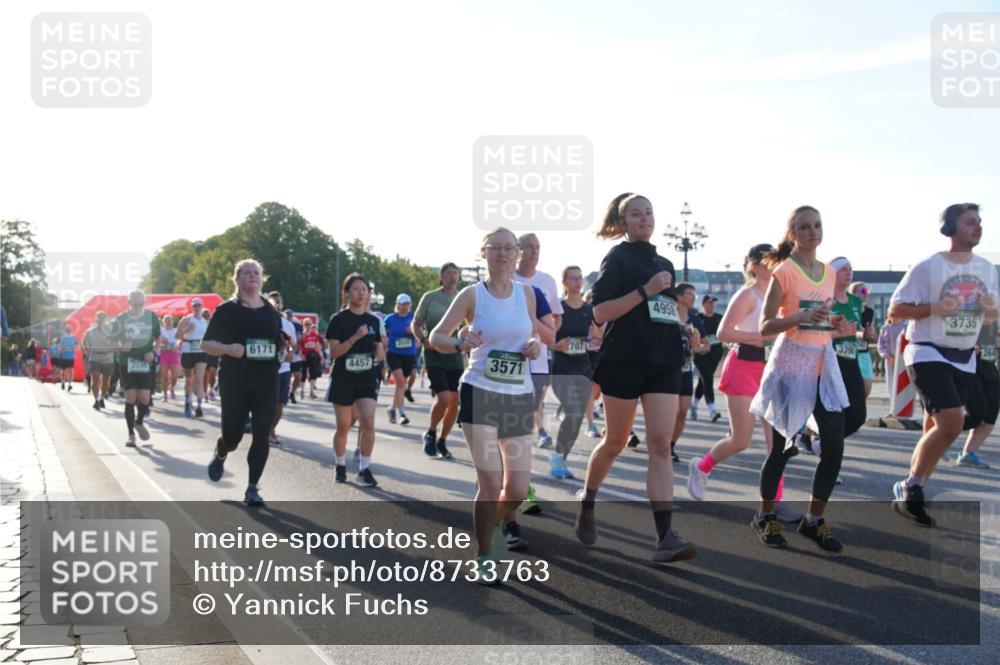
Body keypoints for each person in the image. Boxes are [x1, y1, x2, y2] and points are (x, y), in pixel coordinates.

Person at [575, 193, 696, 564]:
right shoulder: (618, 258)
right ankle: (588, 500)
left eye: (649, 213)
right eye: (636, 214)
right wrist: (646, 291)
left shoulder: (665, 262)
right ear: (623, 222)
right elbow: (600, 311)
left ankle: (665, 538)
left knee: (660, 445)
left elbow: (663, 312)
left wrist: (684, 328)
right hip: (625, 361)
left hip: (663, 361)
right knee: (614, 441)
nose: (644, 218)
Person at [429, 227, 542, 584]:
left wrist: (536, 345)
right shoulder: (471, 295)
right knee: (491, 482)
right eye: (496, 248)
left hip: (519, 394)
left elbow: (533, 334)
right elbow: (436, 337)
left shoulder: (527, 295)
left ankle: (488, 527)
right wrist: (460, 342)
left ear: (517, 255)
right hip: (480, 390)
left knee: (519, 489)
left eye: (510, 248)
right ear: (484, 253)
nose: (504, 254)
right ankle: (484, 555)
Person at [748, 205, 851, 554]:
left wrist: (833, 323)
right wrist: (801, 315)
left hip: (822, 362)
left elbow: (823, 318)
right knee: (782, 448)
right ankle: (765, 515)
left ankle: (814, 520)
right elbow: (764, 327)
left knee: (834, 446)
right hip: (791, 364)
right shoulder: (785, 272)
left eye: (817, 225)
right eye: (805, 227)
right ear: (793, 234)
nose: (813, 232)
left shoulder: (828, 272)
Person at [889, 203, 998, 526]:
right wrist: (937, 307)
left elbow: (992, 316)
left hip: (964, 357)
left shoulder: (987, 268)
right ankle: (911, 487)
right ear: (950, 228)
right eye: (969, 222)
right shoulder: (929, 267)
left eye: (979, 222)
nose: (977, 228)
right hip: (928, 351)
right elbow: (896, 310)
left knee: (937, 430)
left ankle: (913, 489)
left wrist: (990, 307)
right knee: (952, 423)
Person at [687, 244, 801, 522]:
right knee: (741, 440)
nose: (775, 265)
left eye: (777, 260)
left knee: (777, 444)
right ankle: (701, 468)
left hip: (771, 369)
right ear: (754, 266)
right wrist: (762, 336)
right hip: (742, 367)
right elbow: (724, 331)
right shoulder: (748, 294)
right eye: (769, 261)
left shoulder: (778, 296)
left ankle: (775, 502)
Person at [204, 259, 286, 506]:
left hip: (266, 379)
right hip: (235, 378)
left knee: (262, 434)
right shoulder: (226, 310)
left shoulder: (272, 311)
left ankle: (252, 487)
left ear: (262, 279)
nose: (252, 276)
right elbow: (206, 344)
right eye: (247, 273)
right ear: (236, 279)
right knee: (233, 435)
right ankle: (222, 449)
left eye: (257, 273)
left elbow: (275, 343)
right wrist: (228, 348)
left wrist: (283, 345)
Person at [326, 273, 386, 487]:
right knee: (343, 426)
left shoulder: (374, 321)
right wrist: (355, 337)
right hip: (343, 376)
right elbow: (334, 353)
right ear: (346, 293)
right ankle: (340, 464)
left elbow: (379, 353)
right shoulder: (338, 320)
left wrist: (380, 353)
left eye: (365, 290)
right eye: (356, 289)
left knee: (368, 420)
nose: (361, 293)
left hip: (366, 377)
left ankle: (364, 468)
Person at [515, 233, 563, 449]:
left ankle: (539, 432)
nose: (534, 251)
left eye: (537, 247)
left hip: (538, 355)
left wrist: (545, 337)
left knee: (534, 400)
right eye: (529, 247)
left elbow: (556, 317)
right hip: (510, 355)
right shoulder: (507, 279)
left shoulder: (546, 282)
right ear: (518, 250)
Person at [549, 266, 596, 478]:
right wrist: (556, 345)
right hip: (561, 368)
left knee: (577, 419)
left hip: (584, 367)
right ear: (565, 282)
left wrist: (594, 341)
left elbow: (595, 335)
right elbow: (546, 337)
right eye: (573, 278)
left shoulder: (589, 309)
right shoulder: (557, 309)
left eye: (580, 278)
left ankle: (560, 458)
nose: (578, 281)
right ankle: (557, 459)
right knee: (574, 412)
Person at [413, 263, 463, 458]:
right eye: (448, 273)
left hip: (455, 355)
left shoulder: (463, 297)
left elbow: (472, 323)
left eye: (455, 273)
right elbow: (416, 324)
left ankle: (442, 440)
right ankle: (431, 432)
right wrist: (424, 340)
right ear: (441, 277)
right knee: (443, 397)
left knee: (455, 401)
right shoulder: (430, 297)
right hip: (434, 353)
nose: (452, 276)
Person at [110, 290, 161, 447]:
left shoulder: (152, 317)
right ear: (129, 302)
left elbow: (158, 338)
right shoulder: (121, 319)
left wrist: (153, 351)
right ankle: (131, 435)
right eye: (134, 304)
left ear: (144, 302)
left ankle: (138, 422)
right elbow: (111, 342)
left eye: (140, 304)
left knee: (145, 398)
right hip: (127, 362)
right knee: (131, 398)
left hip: (145, 362)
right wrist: (121, 348)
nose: (138, 307)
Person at [669, 282, 709, 463]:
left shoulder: (694, 317)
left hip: (686, 369)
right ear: (678, 296)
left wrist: (697, 347)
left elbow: (706, 346)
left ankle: (671, 444)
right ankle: (661, 443)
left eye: (695, 294)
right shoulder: (668, 314)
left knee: (683, 411)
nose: (694, 297)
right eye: (689, 293)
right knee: (671, 410)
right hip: (667, 369)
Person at [955, 319, 998, 469]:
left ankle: (968, 453)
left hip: (989, 367)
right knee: (976, 414)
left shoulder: (992, 318)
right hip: (969, 368)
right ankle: (938, 434)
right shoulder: (966, 311)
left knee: (991, 416)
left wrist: (992, 345)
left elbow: (991, 346)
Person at [268, 292, 297, 446]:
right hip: (265, 369)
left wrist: (291, 353)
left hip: (283, 368)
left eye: (279, 301)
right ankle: (263, 428)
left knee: (279, 404)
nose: (277, 304)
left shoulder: (288, 324)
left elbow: (294, 344)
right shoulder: (262, 321)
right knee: (267, 402)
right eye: (274, 301)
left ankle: (271, 430)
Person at [384, 294, 418, 426]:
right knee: (400, 382)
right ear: (397, 305)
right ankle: (402, 413)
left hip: (409, 354)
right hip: (394, 353)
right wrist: (384, 343)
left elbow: (421, 331)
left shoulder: (413, 317)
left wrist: (413, 331)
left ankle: (392, 408)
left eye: (408, 303)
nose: (406, 306)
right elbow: (382, 333)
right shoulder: (390, 319)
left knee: (402, 383)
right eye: (403, 304)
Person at [692, 294, 724, 422]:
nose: (712, 305)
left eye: (713, 303)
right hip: (700, 354)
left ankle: (693, 405)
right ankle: (712, 410)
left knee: (703, 381)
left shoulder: (719, 318)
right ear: (703, 304)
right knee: (708, 377)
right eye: (709, 303)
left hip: (715, 354)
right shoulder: (697, 319)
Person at [176, 298, 208, 417]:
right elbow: (177, 335)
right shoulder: (186, 319)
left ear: (202, 306)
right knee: (189, 380)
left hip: (201, 351)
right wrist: (186, 330)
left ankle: (199, 406)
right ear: (192, 307)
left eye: (199, 305)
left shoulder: (205, 321)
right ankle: (188, 402)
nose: (197, 308)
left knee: (199, 379)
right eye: (194, 306)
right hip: (188, 350)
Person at [82, 312, 116, 410]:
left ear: (106, 319)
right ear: (96, 319)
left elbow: (117, 342)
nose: (101, 320)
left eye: (103, 318)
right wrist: (87, 351)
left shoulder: (111, 331)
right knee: (95, 377)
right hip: (95, 357)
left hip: (108, 358)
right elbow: (83, 341)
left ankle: (102, 398)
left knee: (106, 381)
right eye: (99, 318)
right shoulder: (91, 331)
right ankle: (96, 400)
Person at [849, 282, 878, 397]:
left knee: (866, 391)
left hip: (864, 352)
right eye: (863, 291)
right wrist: (863, 334)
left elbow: (869, 330)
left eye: (867, 291)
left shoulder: (869, 311)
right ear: (853, 294)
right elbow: (851, 329)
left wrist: (872, 335)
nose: (866, 294)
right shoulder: (848, 309)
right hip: (850, 353)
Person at [298, 318, 324, 399]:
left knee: (313, 374)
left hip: (313, 356)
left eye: (310, 324)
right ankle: (302, 391)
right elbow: (297, 347)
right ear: (304, 325)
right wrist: (301, 355)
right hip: (304, 356)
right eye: (307, 324)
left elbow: (317, 346)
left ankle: (311, 392)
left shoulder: (314, 335)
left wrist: (321, 356)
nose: (308, 326)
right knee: (303, 375)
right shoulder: (301, 335)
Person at [158, 315, 181, 401]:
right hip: (164, 354)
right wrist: (161, 339)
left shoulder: (175, 330)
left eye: (170, 320)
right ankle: (165, 396)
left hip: (173, 354)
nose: (168, 322)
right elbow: (157, 337)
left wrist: (178, 345)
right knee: (164, 377)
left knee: (174, 377)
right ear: (163, 322)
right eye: (166, 320)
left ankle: (172, 389)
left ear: (172, 321)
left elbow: (180, 339)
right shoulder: (161, 330)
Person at [202, 308, 219, 401]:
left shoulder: (215, 324)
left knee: (212, 373)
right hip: (203, 351)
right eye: (204, 315)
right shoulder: (199, 324)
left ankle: (211, 389)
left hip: (213, 351)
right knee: (205, 374)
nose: (206, 316)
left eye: (207, 315)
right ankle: (205, 393)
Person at [55, 324, 77, 390]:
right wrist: (73, 348)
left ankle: (63, 383)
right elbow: (76, 346)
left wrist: (60, 349)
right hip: (70, 357)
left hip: (64, 357)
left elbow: (56, 344)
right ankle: (69, 384)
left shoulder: (62, 337)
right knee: (70, 371)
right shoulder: (73, 338)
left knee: (63, 371)